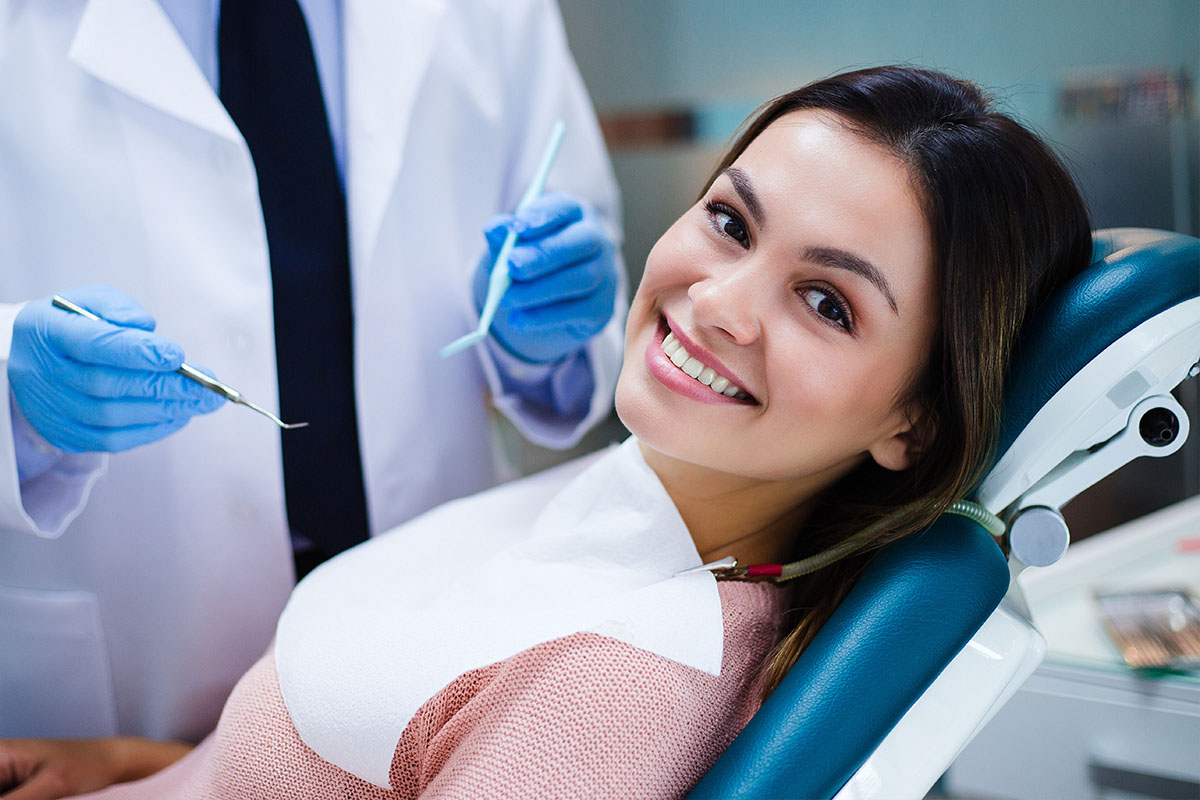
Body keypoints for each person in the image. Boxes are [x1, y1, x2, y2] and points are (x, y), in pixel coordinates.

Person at [0, 65, 1093, 799]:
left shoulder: (615, 689)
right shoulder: (622, 507)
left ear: (915, 424)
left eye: (827, 303)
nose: (718, 302)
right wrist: (145, 766)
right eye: (729, 221)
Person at [0, 0, 625, 745]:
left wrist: (545, 330)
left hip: (434, 611)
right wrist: (15, 394)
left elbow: (568, 217)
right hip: (125, 655)